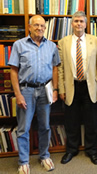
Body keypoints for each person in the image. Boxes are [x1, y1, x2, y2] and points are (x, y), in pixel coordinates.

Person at [8, 15, 60, 174]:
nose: (40, 28)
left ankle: (44, 156)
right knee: (24, 128)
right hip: (26, 90)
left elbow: (55, 68)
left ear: (45, 28)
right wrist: (18, 94)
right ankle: (23, 161)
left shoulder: (51, 46)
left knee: (45, 126)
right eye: (36, 25)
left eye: (42, 26)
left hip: (45, 90)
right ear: (29, 27)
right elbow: (13, 71)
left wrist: (55, 90)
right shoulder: (19, 45)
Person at [58, 11, 97, 165]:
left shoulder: (95, 41)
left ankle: (92, 151)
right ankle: (71, 150)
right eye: (76, 21)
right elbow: (61, 68)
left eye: (81, 21)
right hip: (71, 86)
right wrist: (61, 89)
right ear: (72, 23)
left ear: (86, 23)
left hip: (90, 86)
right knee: (71, 121)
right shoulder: (63, 42)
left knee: (91, 121)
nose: (78, 24)